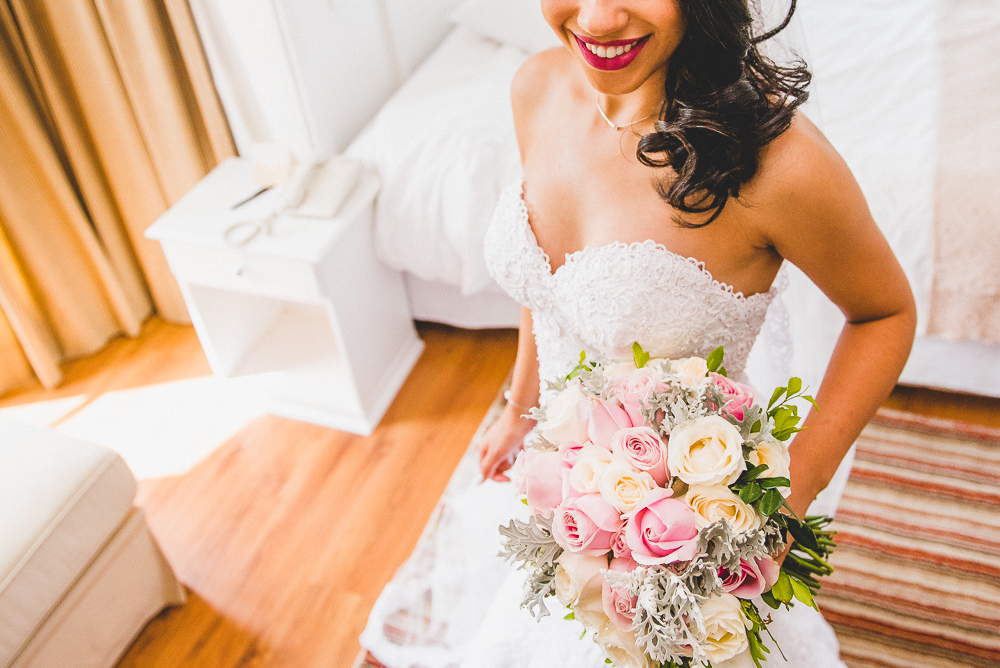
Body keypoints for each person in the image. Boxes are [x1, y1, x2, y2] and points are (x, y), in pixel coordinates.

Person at [468, 0, 917, 666]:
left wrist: (791, 493)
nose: (596, 18)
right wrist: (516, 405)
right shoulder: (534, 85)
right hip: (565, 499)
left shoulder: (776, 164)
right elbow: (548, 288)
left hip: (683, 531)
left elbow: (885, 315)